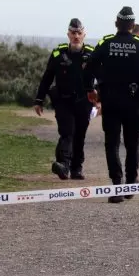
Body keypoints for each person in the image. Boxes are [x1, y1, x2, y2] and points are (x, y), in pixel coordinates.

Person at [83, 6, 139, 203]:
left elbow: (89, 66)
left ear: (116, 23)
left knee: (112, 143)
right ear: (133, 25)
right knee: (132, 144)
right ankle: (131, 183)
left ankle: (116, 185)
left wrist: (90, 89)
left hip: (110, 101)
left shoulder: (106, 42)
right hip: (134, 102)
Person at [34, 18, 95, 180]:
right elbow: (47, 78)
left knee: (80, 134)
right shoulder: (58, 53)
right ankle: (64, 166)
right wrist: (39, 100)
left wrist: (100, 100)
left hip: (84, 101)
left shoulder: (91, 54)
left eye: (79, 33)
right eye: (73, 33)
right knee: (67, 132)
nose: (76, 36)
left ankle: (77, 168)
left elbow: (101, 77)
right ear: (68, 34)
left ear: (84, 35)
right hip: (63, 100)